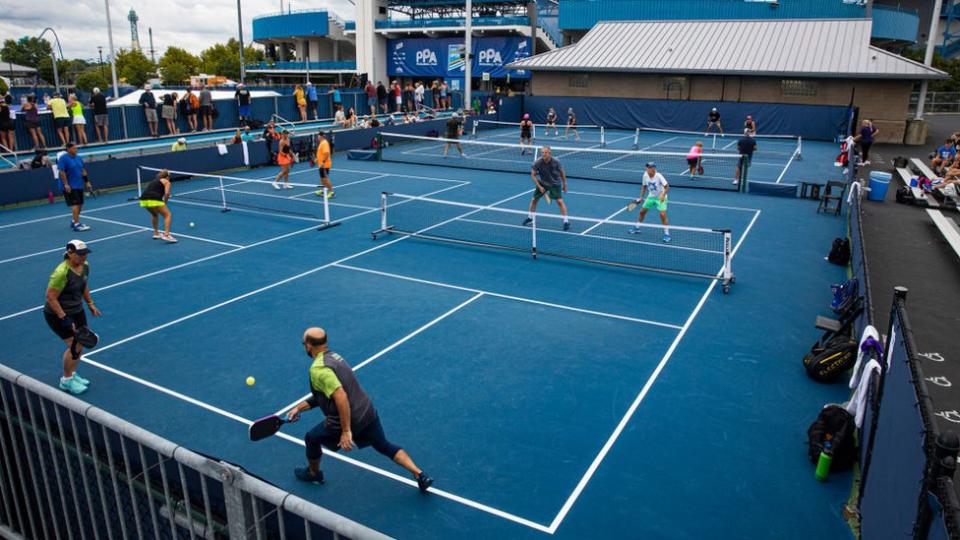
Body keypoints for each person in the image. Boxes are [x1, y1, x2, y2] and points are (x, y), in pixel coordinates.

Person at [286, 327, 434, 491]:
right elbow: (325, 395)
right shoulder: (335, 357)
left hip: (348, 419)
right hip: (366, 412)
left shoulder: (318, 370)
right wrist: (298, 408)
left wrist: (346, 430)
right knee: (383, 445)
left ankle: (314, 474)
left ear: (308, 345)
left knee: (311, 438)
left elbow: (340, 396)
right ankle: (420, 475)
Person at [44, 239, 102, 395]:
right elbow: (50, 297)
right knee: (74, 345)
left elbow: (83, 285)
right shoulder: (61, 273)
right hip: (57, 314)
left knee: (80, 343)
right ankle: (66, 381)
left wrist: (90, 303)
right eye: (80, 254)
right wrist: (64, 318)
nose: (84, 257)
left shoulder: (85, 267)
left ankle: (72, 374)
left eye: (85, 254)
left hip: (77, 311)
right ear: (70, 253)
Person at [522, 145, 570, 230]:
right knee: (534, 200)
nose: (544, 154)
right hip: (543, 183)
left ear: (549, 153)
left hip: (555, 183)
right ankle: (530, 218)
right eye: (542, 152)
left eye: (545, 152)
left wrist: (565, 184)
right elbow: (532, 175)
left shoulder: (556, 161)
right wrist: (539, 186)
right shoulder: (538, 162)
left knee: (559, 201)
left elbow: (562, 173)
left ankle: (566, 221)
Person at [629, 162, 670, 242]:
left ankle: (667, 234)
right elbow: (644, 186)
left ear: (654, 168)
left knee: (662, 215)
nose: (648, 169)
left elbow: (667, 186)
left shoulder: (659, 176)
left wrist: (663, 195)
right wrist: (641, 197)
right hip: (651, 197)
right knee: (642, 212)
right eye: (647, 167)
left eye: (650, 167)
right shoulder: (645, 175)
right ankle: (637, 228)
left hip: (660, 198)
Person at [57, 143, 93, 232]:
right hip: (70, 186)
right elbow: (61, 172)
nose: (76, 150)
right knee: (75, 204)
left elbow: (83, 170)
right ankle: (77, 225)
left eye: (76, 148)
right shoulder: (63, 159)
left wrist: (87, 182)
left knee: (80, 204)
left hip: (79, 184)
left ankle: (74, 221)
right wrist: (66, 184)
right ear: (68, 149)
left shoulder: (78, 158)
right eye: (74, 148)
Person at [139, 169, 177, 243]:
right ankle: (166, 235)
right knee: (167, 215)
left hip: (143, 199)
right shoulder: (167, 182)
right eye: (169, 176)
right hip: (155, 198)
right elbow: (166, 194)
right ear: (167, 176)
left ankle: (156, 233)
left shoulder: (154, 181)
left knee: (155, 214)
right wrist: (165, 202)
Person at [313, 131, 335, 199]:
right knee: (322, 179)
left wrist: (322, 162)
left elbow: (326, 153)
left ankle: (331, 192)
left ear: (321, 136)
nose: (317, 137)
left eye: (318, 136)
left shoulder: (324, 143)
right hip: (321, 164)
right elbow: (321, 153)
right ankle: (323, 190)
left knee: (325, 179)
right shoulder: (322, 143)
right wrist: (317, 159)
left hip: (324, 165)